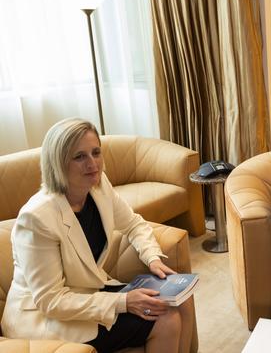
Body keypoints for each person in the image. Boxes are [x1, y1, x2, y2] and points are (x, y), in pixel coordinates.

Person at [1, 118, 194, 352]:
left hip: (87, 291)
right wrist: (124, 302)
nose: (92, 164)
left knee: (181, 300)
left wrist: (152, 257)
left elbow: (133, 224)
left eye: (96, 152)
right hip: (46, 317)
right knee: (165, 319)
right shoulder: (36, 219)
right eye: (79, 156)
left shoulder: (98, 185)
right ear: (58, 163)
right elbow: (51, 301)